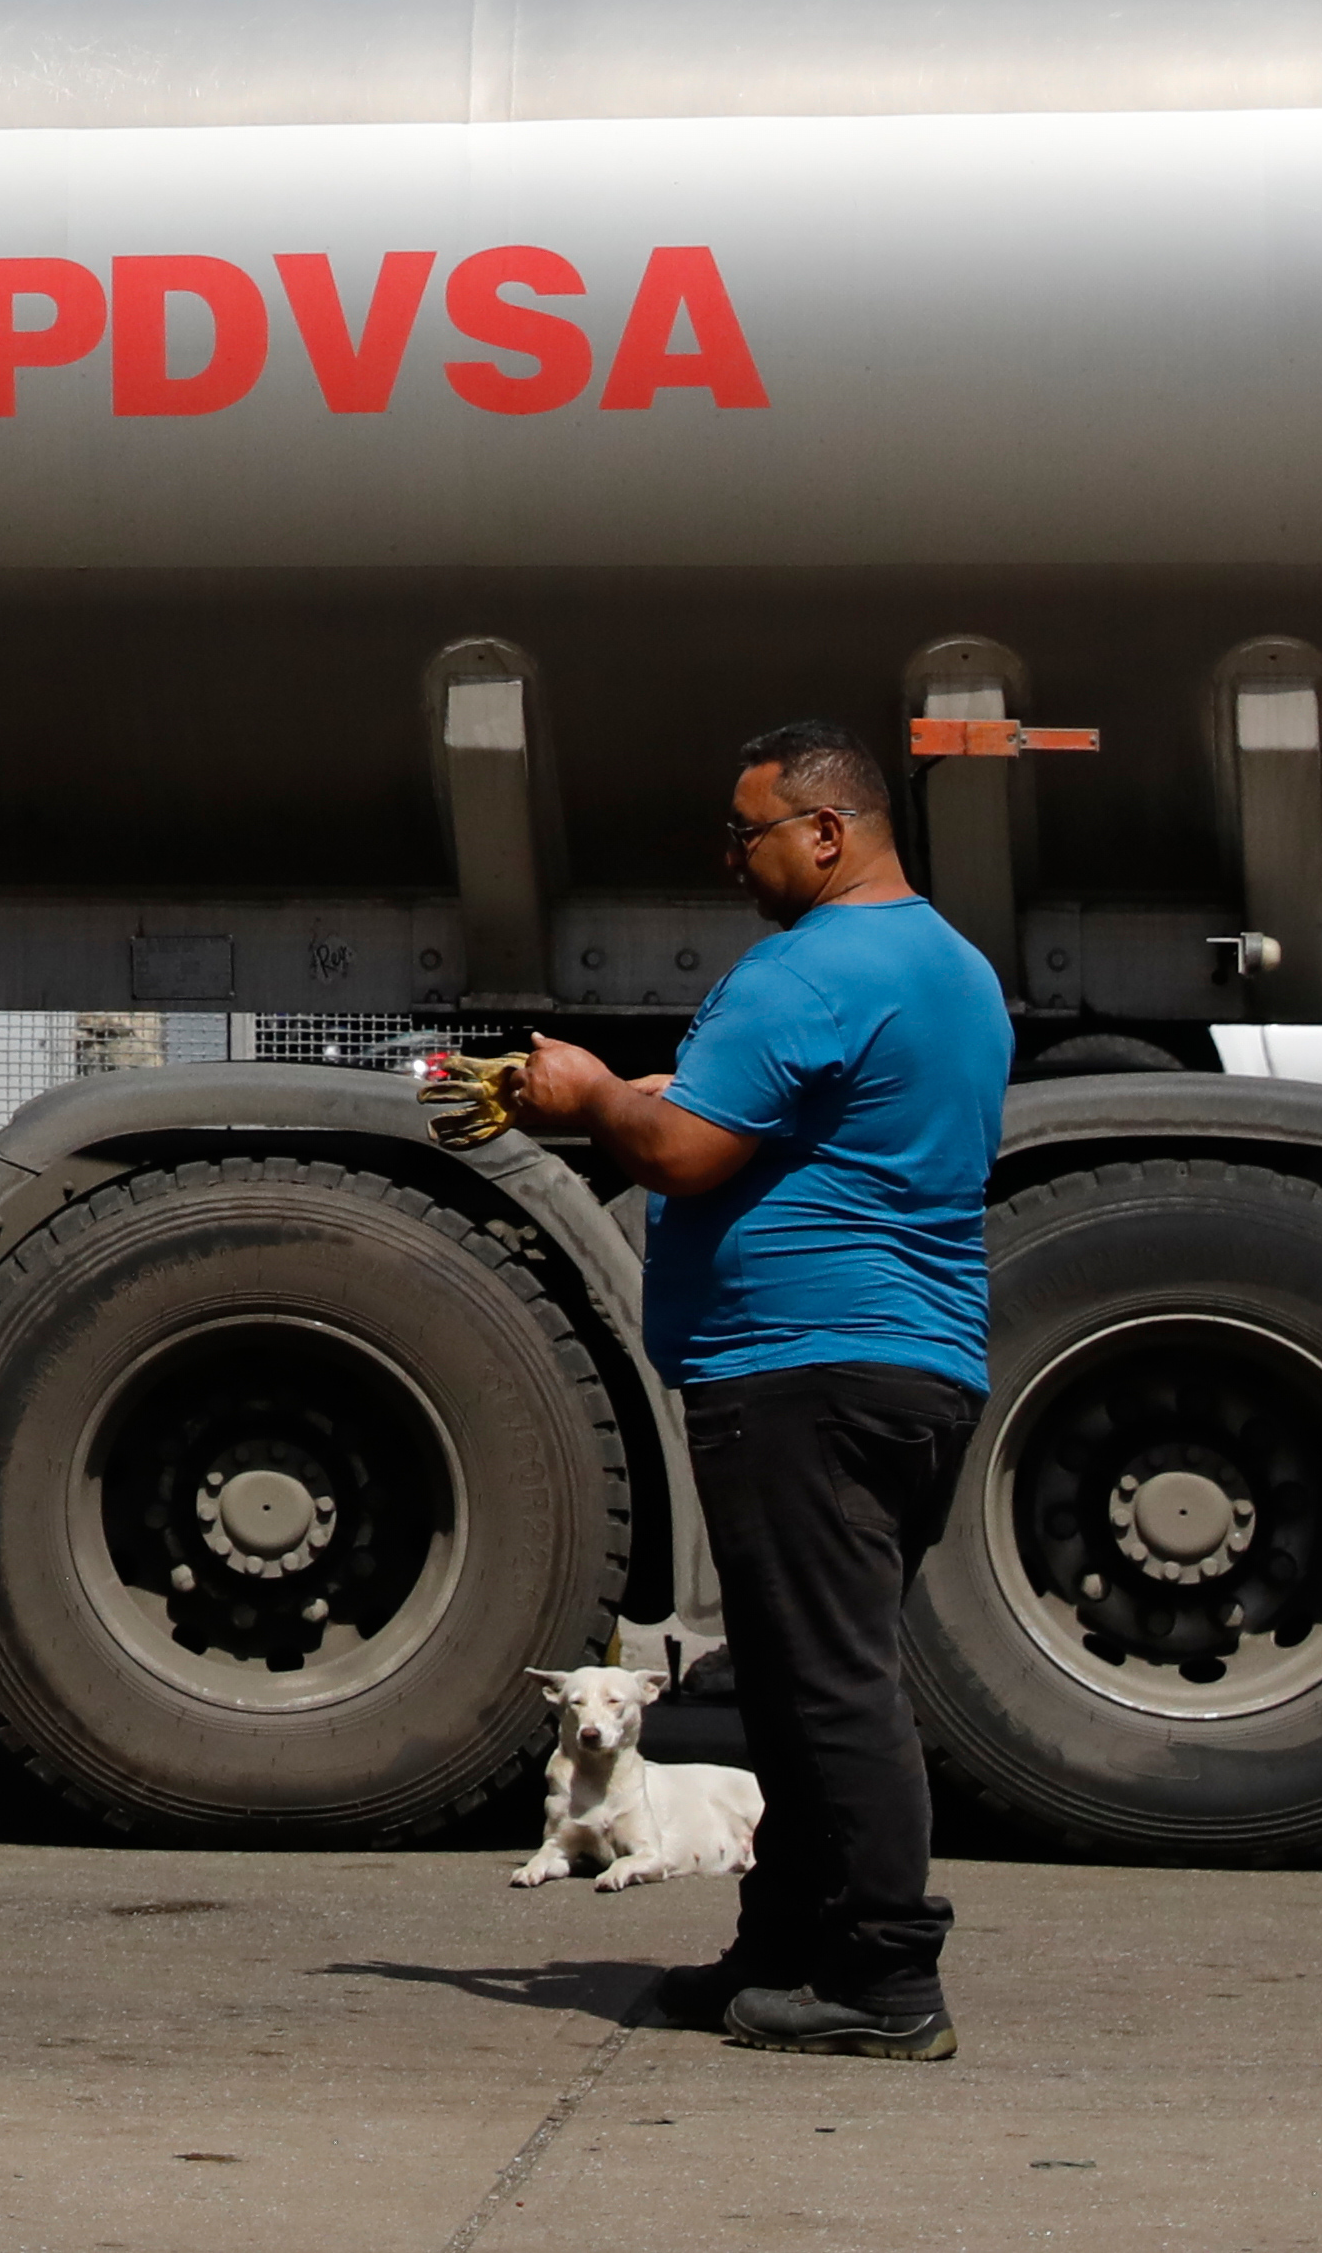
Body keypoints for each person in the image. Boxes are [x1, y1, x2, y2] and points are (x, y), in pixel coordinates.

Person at [516, 714, 1010, 2064]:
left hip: (802, 1367)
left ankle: (885, 1976)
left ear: (825, 831)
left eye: (746, 833)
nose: (727, 857)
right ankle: (786, 1946)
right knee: (798, 1680)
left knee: (830, 1683)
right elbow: (812, 1123)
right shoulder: (951, 964)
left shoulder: (807, 966)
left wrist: (588, 1093)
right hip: (907, 1364)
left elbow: (679, 1150)